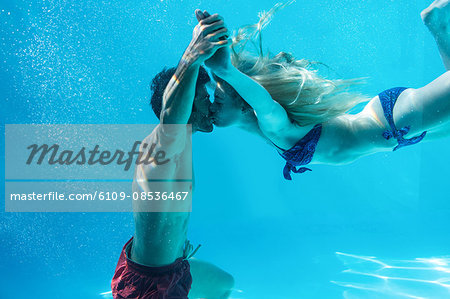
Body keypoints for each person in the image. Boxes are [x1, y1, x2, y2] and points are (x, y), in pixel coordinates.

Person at [201, 1, 450, 180]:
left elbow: (264, 103)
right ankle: (439, 26)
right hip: (394, 133)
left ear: (246, 104)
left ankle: (437, 24)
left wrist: (225, 70)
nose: (212, 105)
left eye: (218, 101)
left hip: (394, 122)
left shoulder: (272, 125)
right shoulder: (265, 127)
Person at [111, 12, 234, 299]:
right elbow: (171, 115)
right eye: (203, 95)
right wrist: (193, 56)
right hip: (148, 284)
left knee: (223, 283)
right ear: (186, 101)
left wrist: (176, 246)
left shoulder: (181, 143)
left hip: (170, 266)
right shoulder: (162, 144)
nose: (210, 101)